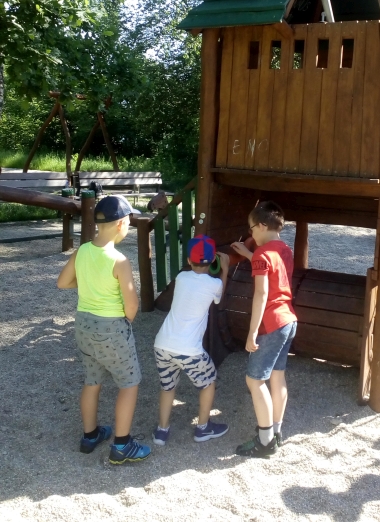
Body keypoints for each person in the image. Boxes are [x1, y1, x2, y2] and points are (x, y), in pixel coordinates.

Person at [57, 195, 151, 465]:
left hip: (84, 325)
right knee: (129, 384)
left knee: (92, 381)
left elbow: (62, 282)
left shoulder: (82, 251)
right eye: (129, 221)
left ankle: (90, 436)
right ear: (121, 224)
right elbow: (132, 304)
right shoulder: (119, 260)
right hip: (111, 327)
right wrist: (126, 322)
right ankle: (122, 445)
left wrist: (90, 284)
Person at [230, 201, 297, 458]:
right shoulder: (284, 249)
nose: (250, 234)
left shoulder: (261, 255)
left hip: (271, 324)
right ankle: (276, 431)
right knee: (277, 376)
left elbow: (261, 294)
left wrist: (252, 332)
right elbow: (273, 270)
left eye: (251, 229)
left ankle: (265, 440)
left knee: (255, 380)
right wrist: (250, 256)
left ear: (260, 226)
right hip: (288, 320)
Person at [152, 235, 230, 446]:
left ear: (188, 260)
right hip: (188, 349)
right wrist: (225, 269)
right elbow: (219, 298)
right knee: (208, 382)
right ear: (213, 260)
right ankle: (203, 428)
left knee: (168, 386)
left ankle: (161, 431)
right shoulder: (214, 284)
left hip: (162, 344)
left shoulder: (181, 278)